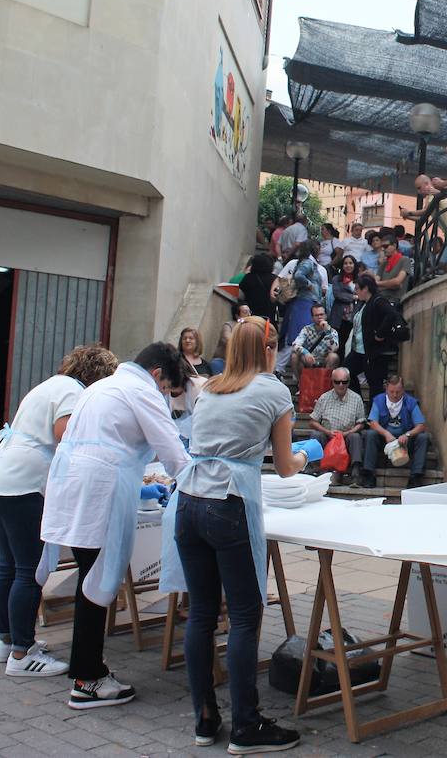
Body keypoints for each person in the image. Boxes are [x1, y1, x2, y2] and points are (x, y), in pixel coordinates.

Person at [169, 316, 308, 752]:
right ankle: (246, 726)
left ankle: (205, 718)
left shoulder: (208, 389)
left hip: (189, 501)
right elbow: (285, 467)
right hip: (228, 503)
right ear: (270, 350)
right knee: (246, 615)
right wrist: (305, 455)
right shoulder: (274, 391)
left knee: (203, 613)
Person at [37, 342, 191, 709]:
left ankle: (86, 668)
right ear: (157, 374)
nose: (165, 395)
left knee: (89, 578)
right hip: (99, 491)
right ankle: (88, 679)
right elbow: (172, 452)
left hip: (71, 486)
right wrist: (199, 483)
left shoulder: (99, 387)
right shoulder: (141, 390)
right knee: (96, 582)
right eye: (167, 388)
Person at [0, 344, 118, 677]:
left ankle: (8, 640)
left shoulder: (50, 385)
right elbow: (66, 436)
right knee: (29, 569)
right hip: (24, 484)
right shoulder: (73, 392)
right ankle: (22, 655)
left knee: (8, 565)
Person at [364, 374, 428, 489]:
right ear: (386, 389)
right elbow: (373, 422)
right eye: (391, 391)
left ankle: (416, 477)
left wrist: (408, 435)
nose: (395, 395)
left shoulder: (411, 402)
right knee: (370, 434)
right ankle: (369, 475)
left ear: (403, 389)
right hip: (385, 440)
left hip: (405, 441)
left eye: (398, 392)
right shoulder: (379, 400)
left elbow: (421, 425)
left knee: (423, 437)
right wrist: (386, 434)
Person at [309, 366, 366, 485]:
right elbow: (313, 421)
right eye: (337, 382)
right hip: (328, 435)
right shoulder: (324, 398)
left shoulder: (356, 398)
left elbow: (361, 423)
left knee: (355, 437)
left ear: (349, 382)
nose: (341, 385)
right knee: (315, 435)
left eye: (344, 382)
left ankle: (355, 473)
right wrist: (326, 431)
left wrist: (347, 433)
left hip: (346, 436)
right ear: (332, 382)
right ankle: (317, 469)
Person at [342, 274, 396, 396]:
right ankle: (358, 403)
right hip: (359, 350)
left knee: (375, 384)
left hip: (373, 351)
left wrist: (380, 334)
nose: (356, 292)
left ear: (365, 288)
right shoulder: (364, 303)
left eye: (357, 288)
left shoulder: (378, 301)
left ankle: (374, 413)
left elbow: (391, 314)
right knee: (346, 372)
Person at [276, 241, 325, 356]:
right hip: (304, 302)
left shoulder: (307, 262)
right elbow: (299, 275)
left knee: (299, 335)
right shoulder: (308, 263)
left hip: (305, 302)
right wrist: (309, 284)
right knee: (298, 335)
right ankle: (279, 368)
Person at [290, 303, 340, 383]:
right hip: (308, 359)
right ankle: (301, 384)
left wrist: (327, 332)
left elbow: (334, 348)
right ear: (312, 318)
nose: (319, 317)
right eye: (316, 315)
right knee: (294, 356)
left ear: (325, 316)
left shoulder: (332, 331)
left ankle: (325, 385)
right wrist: (305, 353)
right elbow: (295, 344)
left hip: (324, 359)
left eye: (321, 314)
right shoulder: (306, 329)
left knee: (334, 357)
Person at [375, 230, 412, 302]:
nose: (383, 249)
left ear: (394, 246)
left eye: (385, 246)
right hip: (381, 299)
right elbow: (375, 284)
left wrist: (380, 284)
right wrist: (391, 284)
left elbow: (397, 282)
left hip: (395, 300)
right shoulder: (384, 263)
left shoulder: (405, 260)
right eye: (382, 247)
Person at [238, 254, 277, 322]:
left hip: (251, 313)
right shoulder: (275, 279)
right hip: (268, 315)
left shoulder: (248, 278)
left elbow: (241, 294)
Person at [213, 304, 250, 374]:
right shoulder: (229, 325)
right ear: (237, 316)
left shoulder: (251, 329)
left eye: (250, 312)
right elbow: (227, 339)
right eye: (245, 312)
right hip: (223, 361)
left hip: (240, 366)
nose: (249, 315)